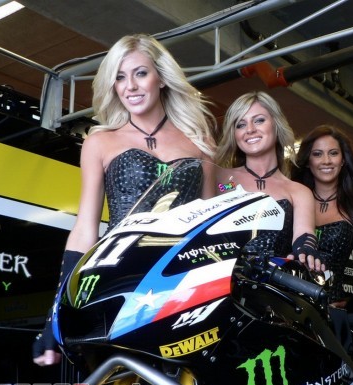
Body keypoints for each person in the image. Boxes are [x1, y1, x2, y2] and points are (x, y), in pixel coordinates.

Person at [32, 33, 216, 366]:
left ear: (160, 77)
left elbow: (211, 222)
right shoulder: (100, 142)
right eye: (119, 77)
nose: (129, 85)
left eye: (140, 73)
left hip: (182, 284)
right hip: (119, 280)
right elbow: (85, 228)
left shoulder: (199, 142)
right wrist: (56, 312)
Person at [214, 91, 322, 271]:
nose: (250, 129)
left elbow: (304, 237)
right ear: (234, 134)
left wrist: (306, 252)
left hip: (271, 289)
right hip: (219, 283)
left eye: (259, 120)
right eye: (241, 124)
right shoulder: (221, 179)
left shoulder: (298, 192)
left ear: (276, 124)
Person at [291, 125, 353, 300]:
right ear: (307, 161)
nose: (326, 160)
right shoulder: (291, 200)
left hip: (332, 307)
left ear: (343, 160)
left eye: (334, 153)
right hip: (287, 303)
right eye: (317, 154)